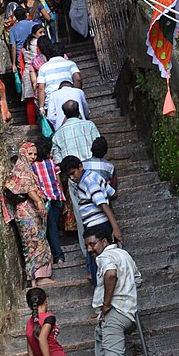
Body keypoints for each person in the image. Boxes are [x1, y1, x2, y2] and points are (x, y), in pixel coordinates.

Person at [85, 225, 142, 356]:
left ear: (104, 241)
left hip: (114, 314)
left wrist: (107, 303)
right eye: (88, 245)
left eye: (92, 244)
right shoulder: (124, 254)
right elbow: (137, 279)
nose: (90, 249)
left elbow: (110, 274)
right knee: (98, 333)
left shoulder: (104, 258)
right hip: (128, 314)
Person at [51, 102, 102, 273]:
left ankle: (90, 260)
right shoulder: (89, 125)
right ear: (78, 111)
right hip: (94, 173)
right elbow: (99, 145)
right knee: (102, 209)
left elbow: (57, 161)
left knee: (82, 220)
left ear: (64, 115)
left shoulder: (58, 135)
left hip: (74, 180)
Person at [57, 156, 122, 282]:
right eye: (68, 175)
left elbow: (103, 204)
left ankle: (103, 290)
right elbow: (113, 193)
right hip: (97, 225)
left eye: (73, 173)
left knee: (100, 260)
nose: (72, 178)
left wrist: (115, 228)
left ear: (80, 167)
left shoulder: (88, 181)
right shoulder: (94, 177)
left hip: (97, 226)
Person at [2, 141, 54, 286]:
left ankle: (34, 278)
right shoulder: (22, 168)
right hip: (27, 211)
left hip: (26, 212)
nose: (32, 157)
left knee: (32, 242)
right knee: (35, 241)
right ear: (23, 153)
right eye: (30, 153)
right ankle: (40, 277)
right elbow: (27, 187)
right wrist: (38, 201)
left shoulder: (24, 168)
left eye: (35, 154)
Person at [32, 138, 65, 264]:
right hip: (57, 197)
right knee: (53, 225)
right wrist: (62, 195)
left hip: (45, 199)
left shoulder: (33, 166)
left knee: (51, 227)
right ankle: (56, 254)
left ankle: (58, 255)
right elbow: (58, 180)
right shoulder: (52, 162)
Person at [35, 39, 83, 125]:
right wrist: (76, 91)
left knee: (57, 125)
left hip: (51, 101)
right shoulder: (70, 63)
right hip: (70, 98)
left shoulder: (43, 68)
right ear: (63, 53)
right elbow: (78, 78)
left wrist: (41, 107)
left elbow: (41, 88)